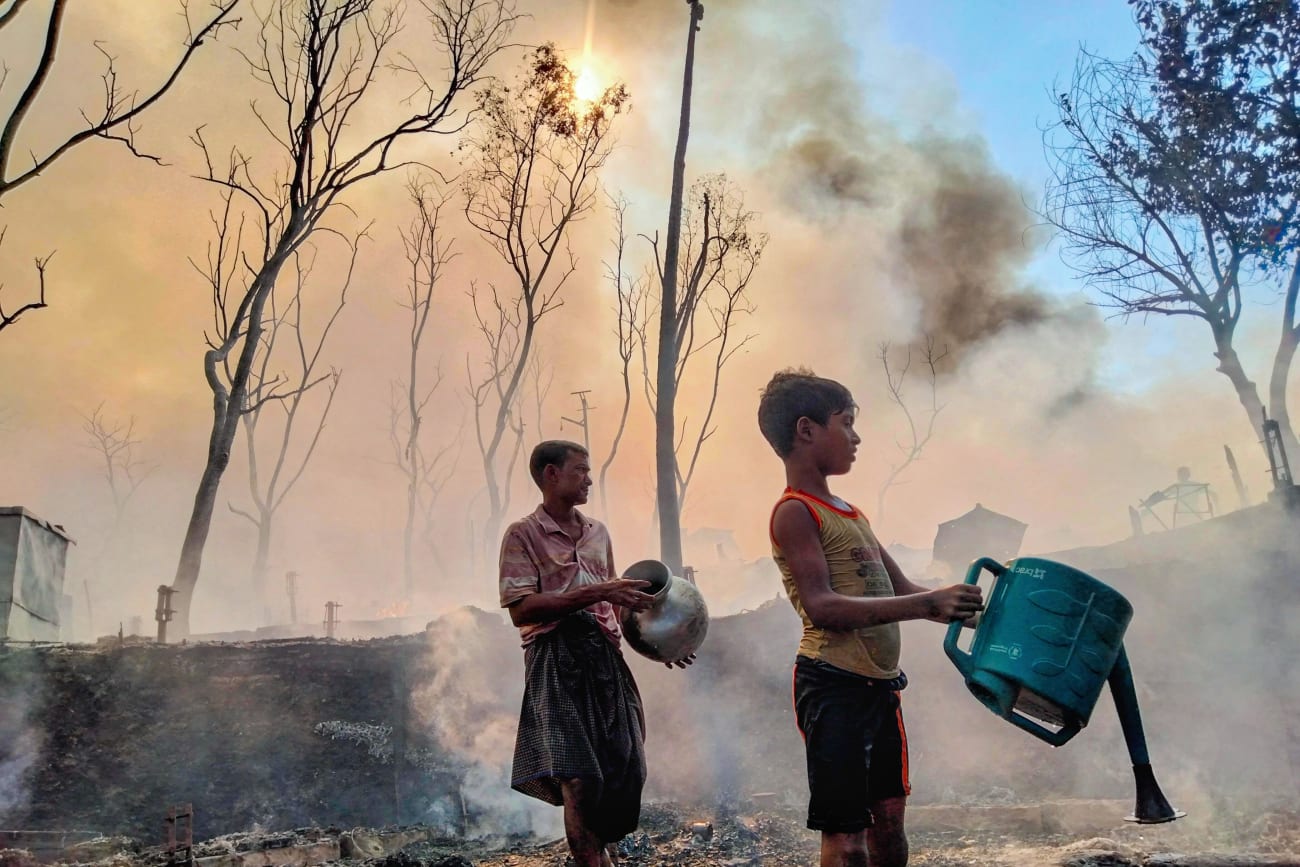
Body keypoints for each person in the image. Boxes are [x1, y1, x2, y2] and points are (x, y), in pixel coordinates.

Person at [757, 369, 984, 867]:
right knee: (847, 837)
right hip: (832, 685)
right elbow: (822, 607)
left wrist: (958, 607)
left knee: (889, 821)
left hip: (879, 687)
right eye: (847, 422)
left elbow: (900, 588)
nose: (856, 436)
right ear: (806, 430)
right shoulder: (795, 512)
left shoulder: (851, 513)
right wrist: (928, 605)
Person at [499, 440, 690, 867]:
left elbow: (616, 605)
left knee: (626, 769)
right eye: (580, 470)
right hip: (556, 658)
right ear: (551, 475)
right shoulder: (523, 534)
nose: (588, 479)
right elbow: (521, 608)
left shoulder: (597, 532)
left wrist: (663, 643)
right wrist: (597, 591)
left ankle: (600, 853)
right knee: (578, 778)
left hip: (604, 657)